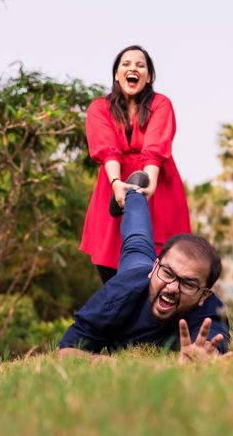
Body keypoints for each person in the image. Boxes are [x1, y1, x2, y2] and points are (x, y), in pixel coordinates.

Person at [59, 184, 230, 361]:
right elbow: (65, 351)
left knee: (138, 240)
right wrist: (100, 362)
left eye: (187, 283)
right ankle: (134, 193)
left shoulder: (211, 311)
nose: (172, 288)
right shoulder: (118, 294)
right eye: (168, 273)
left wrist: (203, 359)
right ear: (155, 267)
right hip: (136, 270)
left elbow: (211, 345)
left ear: (204, 295)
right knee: (137, 238)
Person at [81, 45, 192, 284]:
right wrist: (116, 184)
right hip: (114, 188)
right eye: (126, 64)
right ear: (116, 74)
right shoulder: (99, 108)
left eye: (141, 65)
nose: (133, 68)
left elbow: (154, 148)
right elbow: (107, 149)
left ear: (149, 76)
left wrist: (148, 186)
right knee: (112, 270)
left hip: (158, 188)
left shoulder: (161, 104)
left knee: (163, 269)